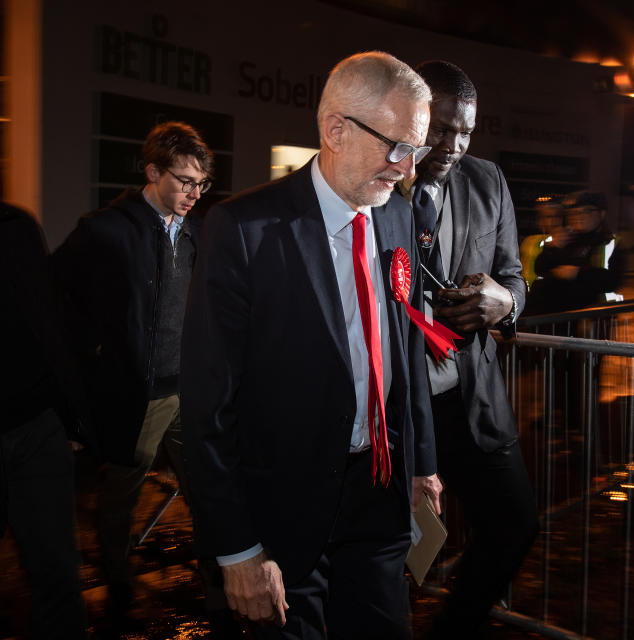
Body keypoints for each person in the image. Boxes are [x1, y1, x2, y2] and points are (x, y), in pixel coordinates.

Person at [180, 51, 442, 639]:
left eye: (416, 150)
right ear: (336, 130)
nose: (405, 167)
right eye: (397, 146)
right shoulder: (243, 229)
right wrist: (236, 548)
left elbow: (406, 351)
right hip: (283, 515)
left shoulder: (396, 217)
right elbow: (207, 405)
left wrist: (421, 464)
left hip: (380, 496)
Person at [52, 121, 214, 621]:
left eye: (202, 183)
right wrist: (76, 394)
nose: (194, 193)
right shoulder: (103, 230)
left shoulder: (198, 232)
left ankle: (221, 581)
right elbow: (57, 303)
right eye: (184, 180)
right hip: (135, 396)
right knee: (120, 495)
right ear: (152, 171)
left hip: (190, 391)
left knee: (209, 490)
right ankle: (118, 583)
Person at [403, 60, 539, 639]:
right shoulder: (381, 180)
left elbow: (513, 276)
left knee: (514, 525)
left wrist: (503, 304)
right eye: (440, 127)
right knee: (386, 548)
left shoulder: (489, 181)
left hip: (469, 396)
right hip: (393, 403)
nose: (453, 144)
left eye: (465, 131)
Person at [1, 203, 88, 639]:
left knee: (58, 576)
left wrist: (69, 416)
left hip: (38, 428)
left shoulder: (15, 227)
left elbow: (49, 320)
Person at [527, 190, 623, 315]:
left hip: (595, 316)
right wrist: (552, 248)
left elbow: (612, 281)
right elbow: (540, 269)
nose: (580, 216)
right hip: (556, 315)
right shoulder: (566, 239)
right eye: (575, 212)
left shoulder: (610, 242)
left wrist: (578, 273)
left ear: (602, 214)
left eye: (587, 211)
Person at [519, 196, 564, 289]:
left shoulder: (564, 240)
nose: (551, 221)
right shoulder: (529, 240)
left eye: (555, 216)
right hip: (526, 292)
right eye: (546, 217)